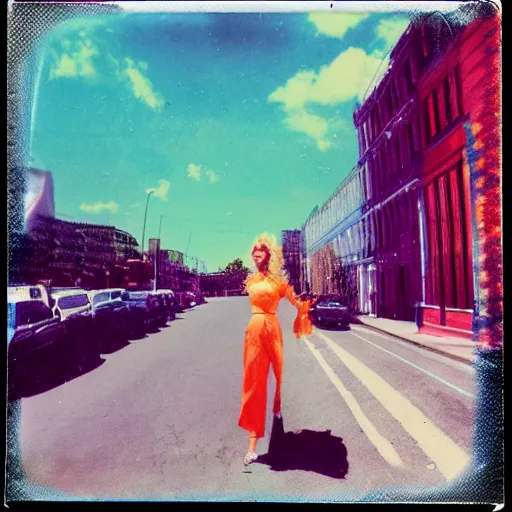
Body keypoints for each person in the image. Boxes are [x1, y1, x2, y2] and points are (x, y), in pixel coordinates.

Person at [238, 233, 312, 466]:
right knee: (254, 385)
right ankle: (252, 444)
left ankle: (277, 409)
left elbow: (295, 301)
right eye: (254, 250)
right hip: (254, 332)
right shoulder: (250, 281)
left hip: (273, 330)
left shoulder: (278, 282)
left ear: (268, 255)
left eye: (261, 249)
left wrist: (304, 307)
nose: (256, 253)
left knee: (279, 376)